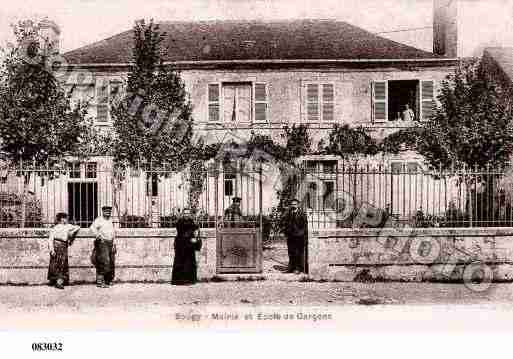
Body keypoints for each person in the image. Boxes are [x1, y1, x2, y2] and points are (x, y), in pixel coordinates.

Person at [47, 213, 80, 289]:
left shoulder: (68, 226)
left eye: (66, 218)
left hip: (64, 246)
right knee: (54, 263)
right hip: (56, 245)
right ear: (60, 219)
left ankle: (60, 281)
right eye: (63, 218)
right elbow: (50, 239)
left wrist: (71, 238)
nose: (65, 219)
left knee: (63, 263)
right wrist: (51, 249)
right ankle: (53, 280)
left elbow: (78, 228)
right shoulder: (55, 227)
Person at [171, 208, 202, 285]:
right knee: (180, 263)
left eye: (188, 213)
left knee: (189, 263)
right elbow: (183, 231)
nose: (186, 215)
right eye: (185, 213)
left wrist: (195, 238)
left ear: (190, 214)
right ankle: (179, 281)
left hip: (189, 245)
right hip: (181, 245)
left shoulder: (192, 221)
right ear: (183, 214)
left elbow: (196, 230)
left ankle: (189, 280)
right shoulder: (180, 222)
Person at [90, 206, 116, 288]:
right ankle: (100, 281)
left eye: (109, 212)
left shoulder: (110, 221)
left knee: (111, 261)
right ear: (103, 212)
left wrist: (114, 244)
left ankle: (108, 280)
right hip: (102, 242)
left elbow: (113, 233)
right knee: (104, 261)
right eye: (106, 212)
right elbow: (92, 228)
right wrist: (98, 236)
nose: (108, 213)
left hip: (110, 242)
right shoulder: (99, 220)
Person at [282, 199, 308, 274]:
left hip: (299, 236)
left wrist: (301, 233)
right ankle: (290, 268)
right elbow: (285, 223)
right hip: (290, 236)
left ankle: (298, 268)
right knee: (291, 252)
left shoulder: (302, 214)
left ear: (298, 205)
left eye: (295, 204)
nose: (293, 206)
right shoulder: (289, 213)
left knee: (298, 253)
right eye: (292, 204)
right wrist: (286, 232)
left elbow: (305, 225)